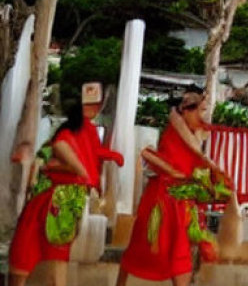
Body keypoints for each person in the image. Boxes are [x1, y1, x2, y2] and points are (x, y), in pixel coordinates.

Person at [8, 84, 124, 286]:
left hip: (60, 198)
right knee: (52, 253)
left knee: (37, 248)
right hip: (64, 198)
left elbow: (79, 166)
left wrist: (47, 166)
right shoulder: (69, 135)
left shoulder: (71, 134)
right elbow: (80, 166)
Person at [116, 86, 230, 286]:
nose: (203, 116)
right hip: (163, 198)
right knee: (143, 247)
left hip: (182, 200)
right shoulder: (173, 134)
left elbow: (198, 168)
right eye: (201, 111)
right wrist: (174, 173)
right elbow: (147, 153)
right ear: (187, 110)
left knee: (180, 252)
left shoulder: (195, 137)